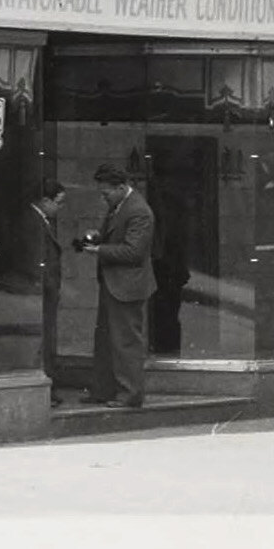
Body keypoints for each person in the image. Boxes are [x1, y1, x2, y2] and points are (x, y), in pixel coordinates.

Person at [75, 156, 157, 409]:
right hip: (116, 284)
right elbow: (121, 239)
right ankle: (104, 390)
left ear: (121, 187)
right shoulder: (122, 206)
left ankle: (131, 394)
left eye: (106, 193)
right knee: (107, 339)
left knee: (125, 341)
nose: (104, 198)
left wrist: (99, 250)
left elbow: (134, 252)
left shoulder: (139, 211)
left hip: (127, 286)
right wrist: (98, 237)